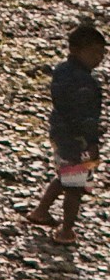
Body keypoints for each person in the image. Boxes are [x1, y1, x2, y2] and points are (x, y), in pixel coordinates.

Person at [30, 20, 107, 245]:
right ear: (76, 51)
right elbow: (85, 117)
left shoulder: (62, 71)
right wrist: (92, 142)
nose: (99, 58)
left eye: (102, 53)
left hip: (60, 133)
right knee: (76, 184)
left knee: (65, 175)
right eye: (94, 53)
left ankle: (40, 212)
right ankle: (66, 230)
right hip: (78, 138)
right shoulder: (86, 83)